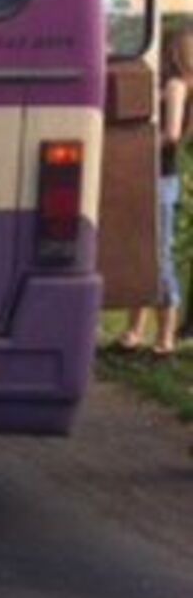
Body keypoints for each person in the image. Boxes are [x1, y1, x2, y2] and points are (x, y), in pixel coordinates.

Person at [123, 29, 190, 356]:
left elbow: (172, 134)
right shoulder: (176, 83)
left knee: (158, 254)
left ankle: (164, 338)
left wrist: (138, 147)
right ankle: (134, 332)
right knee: (143, 252)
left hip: (161, 175)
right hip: (157, 176)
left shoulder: (176, 85)